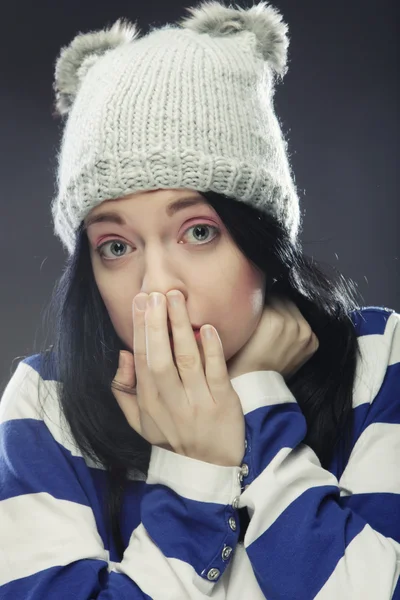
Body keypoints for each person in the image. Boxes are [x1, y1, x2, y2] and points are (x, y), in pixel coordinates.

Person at [0, 1, 399, 598]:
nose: (157, 286)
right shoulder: (44, 405)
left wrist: (256, 402)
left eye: (199, 231)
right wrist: (196, 469)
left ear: (263, 239)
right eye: (115, 245)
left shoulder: (377, 359)